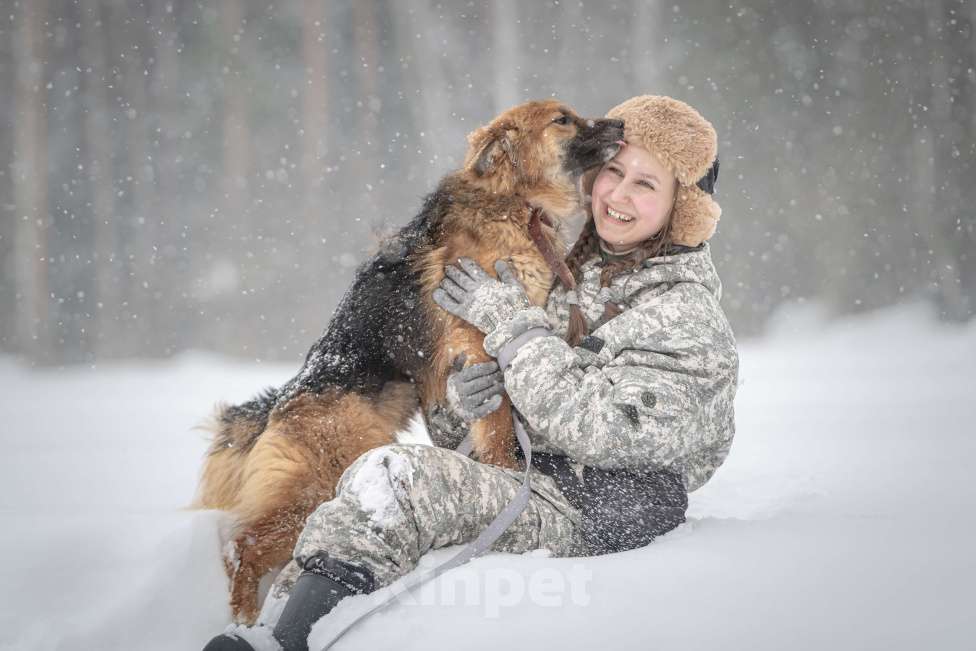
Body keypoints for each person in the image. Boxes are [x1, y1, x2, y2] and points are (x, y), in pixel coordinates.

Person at [202, 95, 738, 651]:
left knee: (395, 478)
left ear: (682, 207)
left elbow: (605, 431)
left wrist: (514, 327)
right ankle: (275, 632)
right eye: (613, 173)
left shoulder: (684, 315)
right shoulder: (573, 273)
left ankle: (282, 641)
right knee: (383, 475)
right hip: (538, 479)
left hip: (596, 508)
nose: (618, 195)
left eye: (645, 185)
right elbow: (493, 419)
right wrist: (470, 403)